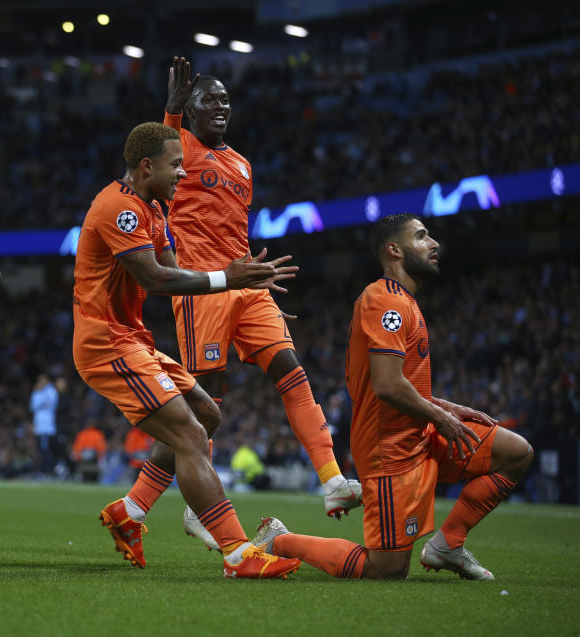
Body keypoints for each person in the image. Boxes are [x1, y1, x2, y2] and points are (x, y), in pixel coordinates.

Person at [145, 58, 362, 554]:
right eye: (210, 100)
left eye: (225, 100)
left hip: (246, 283)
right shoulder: (183, 151)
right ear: (192, 109)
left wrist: (258, 286)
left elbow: (234, 234)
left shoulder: (242, 164)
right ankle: (196, 505)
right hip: (202, 289)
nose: (220, 106)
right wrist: (172, 111)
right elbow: (160, 151)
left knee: (293, 371)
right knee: (207, 406)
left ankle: (332, 480)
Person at [74, 121, 301, 579]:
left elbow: (183, 276)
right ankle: (239, 555)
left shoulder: (155, 211)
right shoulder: (118, 208)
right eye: (175, 165)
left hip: (132, 340)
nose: (183, 173)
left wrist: (242, 281)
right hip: (106, 344)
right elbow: (155, 280)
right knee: (191, 437)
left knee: (206, 417)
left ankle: (130, 511)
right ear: (146, 166)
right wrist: (227, 278)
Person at [251, 213, 533, 580]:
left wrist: (446, 407)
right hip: (390, 451)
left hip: (422, 432)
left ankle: (448, 545)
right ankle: (281, 540)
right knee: (386, 569)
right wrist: (441, 417)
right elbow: (386, 385)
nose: (434, 244)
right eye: (421, 236)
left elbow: (400, 382)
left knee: (515, 453)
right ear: (394, 250)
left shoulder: (405, 301)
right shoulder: (383, 300)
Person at [29, 373, 59, 476]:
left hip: (47, 427)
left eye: (42, 380)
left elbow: (46, 403)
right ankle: (44, 470)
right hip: (39, 426)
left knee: (45, 450)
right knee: (40, 450)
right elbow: (33, 406)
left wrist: (40, 393)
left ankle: (47, 471)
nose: (40, 382)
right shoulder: (37, 391)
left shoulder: (51, 391)